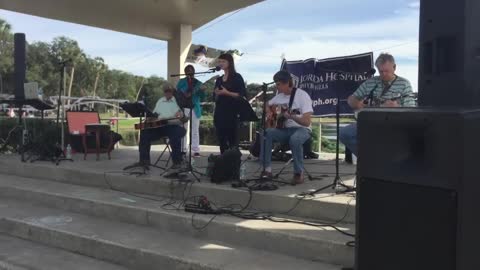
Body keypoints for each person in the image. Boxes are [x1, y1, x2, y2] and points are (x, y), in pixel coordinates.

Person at [339, 53, 416, 156]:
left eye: (386, 71)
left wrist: (397, 107)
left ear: (394, 67)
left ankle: (380, 160)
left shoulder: (404, 84)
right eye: (381, 71)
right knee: (345, 133)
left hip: (393, 124)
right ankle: (367, 158)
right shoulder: (371, 82)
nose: (383, 74)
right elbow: (351, 99)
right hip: (370, 122)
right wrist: (358, 104)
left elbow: (411, 109)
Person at [260, 70, 313, 184]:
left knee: (295, 139)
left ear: (287, 83)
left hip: (302, 129)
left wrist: (292, 117)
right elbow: (266, 104)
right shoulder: (280, 96)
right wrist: (269, 112)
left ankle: (298, 173)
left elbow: (307, 122)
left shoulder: (302, 95)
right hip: (286, 130)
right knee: (266, 133)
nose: (276, 87)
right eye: (275, 84)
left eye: (278, 84)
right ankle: (267, 170)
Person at [138, 83, 186, 170]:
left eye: (169, 91)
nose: (167, 93)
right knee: (144, 133)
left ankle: (177, 162)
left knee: (175, 136)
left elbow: (182, 118)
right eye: (166, 91)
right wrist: (150, 119)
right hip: (160, 126)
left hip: (173, 125)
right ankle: (144, 161)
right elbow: (155, 114)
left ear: (173, 92)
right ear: (164, 92)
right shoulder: (160, 100)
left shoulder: (178, 101)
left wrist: (180, 115)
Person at [213, 53, 246, 154]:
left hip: (232, 114)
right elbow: (214, 98)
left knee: (233, 143)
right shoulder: (219, 79)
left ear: (230, 63)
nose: (220, 63)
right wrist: (217, 94)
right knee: (222, 142)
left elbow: (242, 96)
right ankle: (223, 166)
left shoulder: (237, 77)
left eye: (223, 61)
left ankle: (234, 167)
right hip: (219, 114)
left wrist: (227, 93)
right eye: (219, 61)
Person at [176, 65, 205, 157]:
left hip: (195, 108)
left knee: (195, 130)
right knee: (184, 129)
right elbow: (178, 94)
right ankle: (183, 149)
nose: (189, 71)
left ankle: (196, 150)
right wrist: (185, 92)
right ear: (185, 72)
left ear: (194, 72)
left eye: (191, 70)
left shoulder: (198, 82)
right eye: (187, 70)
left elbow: (203, 97)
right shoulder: (181, 82)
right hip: (184, 108)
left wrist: (202, 91)